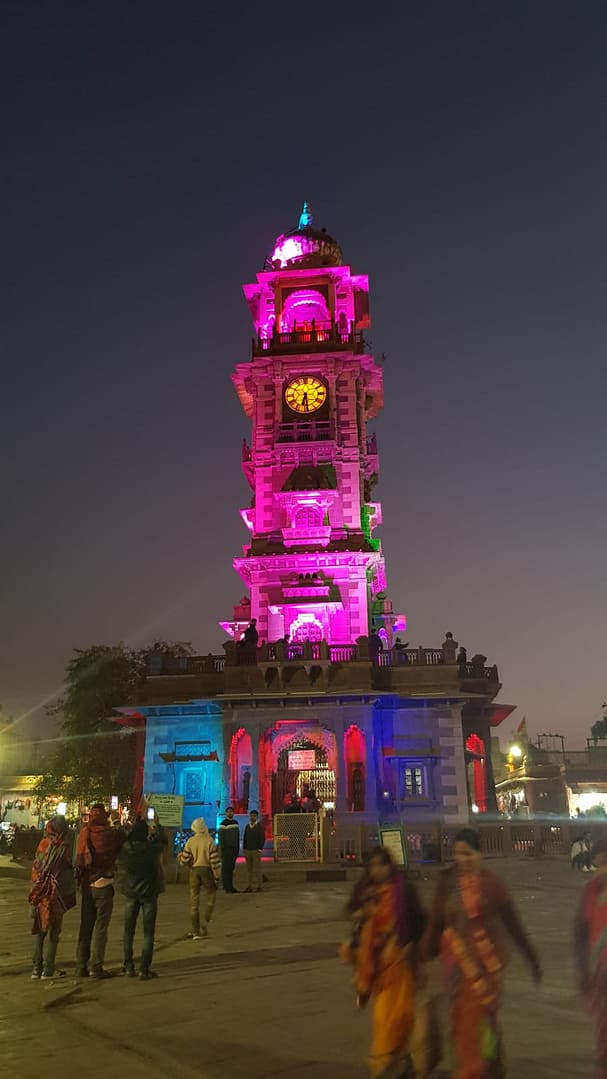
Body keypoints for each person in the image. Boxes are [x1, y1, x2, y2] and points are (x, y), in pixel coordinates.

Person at [424, 827, 541, 1077]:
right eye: (458, 854)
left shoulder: (492, 884)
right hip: (457, 965)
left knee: (479, 1015)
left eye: (468, 854)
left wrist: (531, 957)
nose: (463, 859)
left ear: (480, 854)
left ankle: (475, 1067)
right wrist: (423, 953)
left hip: (488, 965)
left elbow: (512, 922)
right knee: (461, 1018)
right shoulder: (447, 883)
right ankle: (483, 1061)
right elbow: (435, 921)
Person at [341, 847, 426, 1078]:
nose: (377, 870)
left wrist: (411, 945)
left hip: (400, 962)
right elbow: (354, 918)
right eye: (373, 866)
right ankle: (392, 1061)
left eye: (382, 865)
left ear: (390, 866)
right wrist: (361, 917)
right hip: (378, 966)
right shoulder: (366, 892)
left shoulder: (403, 891)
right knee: (383, 1017)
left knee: (402, 1016)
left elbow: (419, 921)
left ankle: (399, 1061)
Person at [74, 803, 124, 979]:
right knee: (101, 928)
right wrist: (117, 822)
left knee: (85, 926)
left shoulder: (84, 833)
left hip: (87, 885)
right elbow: (121, 838)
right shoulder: (109, 834)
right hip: (104, 885)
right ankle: (96, 967)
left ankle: (81, 966)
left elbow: (78, 860)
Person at [574, 839, 607, 1077]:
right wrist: (583, 970)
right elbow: (580, 933)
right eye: (598, 866)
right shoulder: (590, 892)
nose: (601, 871)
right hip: (600, 975)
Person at [29, 816, 76, 979]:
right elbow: (66, 872)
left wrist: (36, 887)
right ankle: (48, 969)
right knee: (54, 934)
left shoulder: (43, 844)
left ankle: (36, 968)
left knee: (40, 930)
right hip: (55, 895)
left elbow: (36, 867)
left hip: (40, 893)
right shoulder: (64, 847)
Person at [119, 817, 165, 978]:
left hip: (131, 892)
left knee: (128, 931)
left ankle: (128, 966)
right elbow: (163, 841)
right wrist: (157, 826)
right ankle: (144, 969)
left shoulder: (127, 848)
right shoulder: (151, 849)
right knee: (148, 932)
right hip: (149, 893)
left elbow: (122, 837)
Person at [179, 818, 221, 937]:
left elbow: (184, 860)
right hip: (206, 870)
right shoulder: (210, 841)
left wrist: (181, 859)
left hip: (194, 871)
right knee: (211, 894)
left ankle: (195, 931)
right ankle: (206, 917)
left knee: (194, 902)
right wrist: (217, 876)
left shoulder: (190, 841)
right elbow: (214, 862)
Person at [218, 807, 240, 893]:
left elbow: (237, 836)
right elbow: (221, 838)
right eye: (228, 812)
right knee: (226, 869)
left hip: (234, 849)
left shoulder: (236, 823)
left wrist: (237, 848)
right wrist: (223, 849)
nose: (230, 813)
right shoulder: (223, 824)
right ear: (226, 813)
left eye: (231, 811)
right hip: (226, 850)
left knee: (231, 869)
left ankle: (231, 887)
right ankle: (227, 887)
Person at [243, 810, 265, 893]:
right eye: (251, 815)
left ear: (257, 817)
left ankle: (259, 886)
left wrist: (260, 849)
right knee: (249, 870)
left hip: (256, 850)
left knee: (257, 869)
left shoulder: (259, 827)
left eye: (254, 816)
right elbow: (245, 837)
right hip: (248, 850)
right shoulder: (247, 826)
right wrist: (244, 848)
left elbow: (262, 838)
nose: (252, 817)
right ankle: (249, 886)